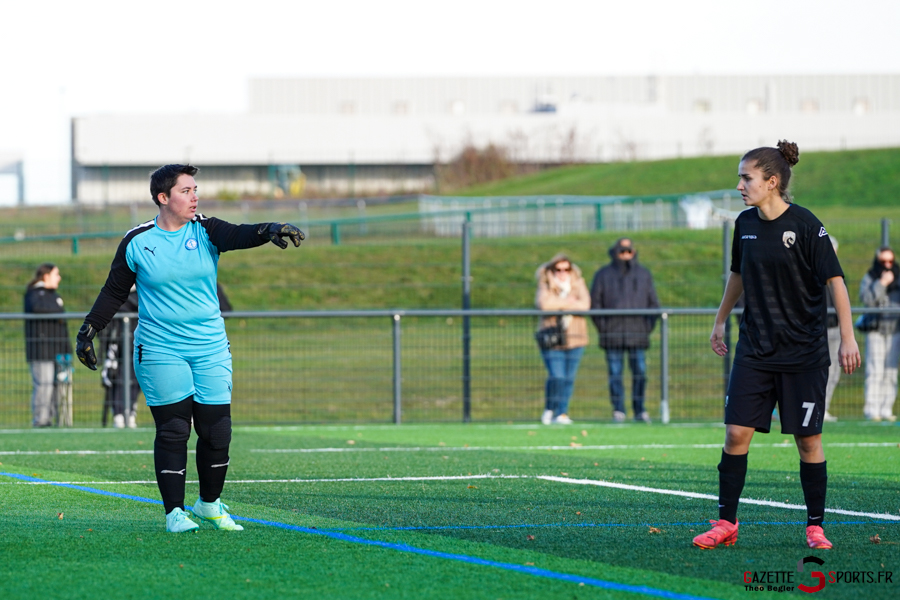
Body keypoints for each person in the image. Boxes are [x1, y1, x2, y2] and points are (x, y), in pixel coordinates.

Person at [74, 164, 304, 533]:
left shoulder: (207, 229)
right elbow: (114, 291)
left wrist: (270, 229)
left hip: (210, 347)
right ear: (163, 198)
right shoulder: (137, 240)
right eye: (186, 191)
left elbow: (240, 234)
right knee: (174, 429)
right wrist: (89, 330)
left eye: (196, 189)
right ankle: (174, 513)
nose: (195, 196)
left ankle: (209, 504)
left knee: (217, 431)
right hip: (161, 349)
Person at [695, 140, 860, 551]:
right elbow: (738, 275)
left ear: (772, 181)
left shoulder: (806, 225)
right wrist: (720, 320)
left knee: (808, 441)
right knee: (736, 433)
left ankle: (815, 526)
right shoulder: (744, 224)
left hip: (804, 353)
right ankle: (726, 523)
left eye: (746, 177)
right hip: (755, 348)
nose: (739, 185)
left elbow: (835, 283)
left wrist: (848, 336)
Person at [589, 238, 660, 423]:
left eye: (629, 251)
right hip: (612, 334)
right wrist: (604, 328)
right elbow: (595, 304)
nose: (625, 255)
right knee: (615, 375)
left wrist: (646, 328)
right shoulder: (603, 275)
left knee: (640, 373)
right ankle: (618, 410)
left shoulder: (644, 274)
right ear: (615, 253)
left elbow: (653, 304)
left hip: (638, 334)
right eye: (621, 251)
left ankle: (639, 410)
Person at [535, 253, 591, 425]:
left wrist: (559, 303)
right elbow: (545, 305)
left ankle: (562, 413)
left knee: (568, 378)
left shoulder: (578, 283)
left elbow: (585, 305)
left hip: (575, 337)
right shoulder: (545, 283)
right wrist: (569, 301)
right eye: (558, 269)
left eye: (566, 269)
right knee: (557, 376)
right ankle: (550, 408)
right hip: (552, 338)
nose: (562, 273)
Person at [24, 264, 73, 428]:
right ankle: (40, 420)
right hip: (40, 351)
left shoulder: (54, 295)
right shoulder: (33, 293)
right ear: (46, 276)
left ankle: (50, 418)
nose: (59, 278)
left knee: (54, 387)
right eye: (56, 274)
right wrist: (57, 309)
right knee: (43, 385)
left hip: (57, 350)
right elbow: (36, 308)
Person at [859, 246, 900, 422]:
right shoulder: (870, 277)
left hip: (895, 330)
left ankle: (886, 408)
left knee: (890, 373)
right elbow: (867, 299)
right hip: (876, 329)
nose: (887, 265)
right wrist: (881, 283)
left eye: (890, 261)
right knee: (874, 371)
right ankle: (872, 409)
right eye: (883, 262)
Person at [100, 285, 141, 429]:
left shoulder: (141, 293)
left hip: (137, 343)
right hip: (117, 344)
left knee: (135, 379)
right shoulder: (115, 291)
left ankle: (130, 412)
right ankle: (118, 413)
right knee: (116, 377)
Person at [822, 236, 841, 422]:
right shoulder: (811, 271)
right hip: (815, 331)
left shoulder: (838, 274)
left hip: (834, 330)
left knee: (833, 372)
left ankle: (824, 408)